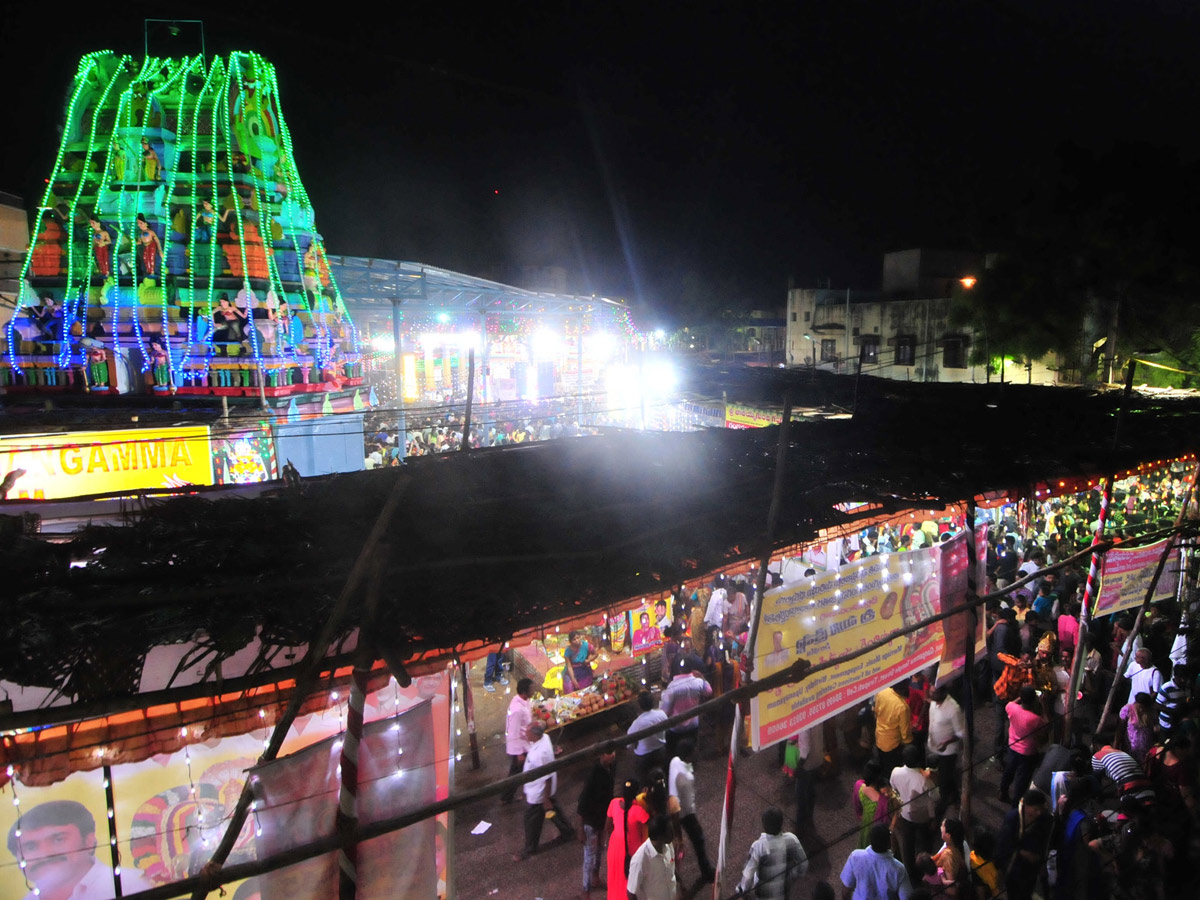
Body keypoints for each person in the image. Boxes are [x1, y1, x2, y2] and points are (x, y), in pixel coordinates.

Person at [6, 799, 154, 900]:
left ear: (89, 841)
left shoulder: (131, 885)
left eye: (58, 839)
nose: (45, 854)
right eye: (31, 847)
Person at [515, 720, 574, 860]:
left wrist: (545, 798)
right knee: (554, 812)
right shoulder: (544, 738)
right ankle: (568, 832)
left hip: (539, 793)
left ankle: (530, 848)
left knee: (532, 821)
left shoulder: (540, 754)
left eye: (528, 733)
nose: (525, 735)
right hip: (541, 791)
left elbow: (546, 777)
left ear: (535, 736)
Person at [668, 739, 715, 883]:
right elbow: (683, 805)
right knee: (698, 840)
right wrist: (679, 834)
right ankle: (706, 871)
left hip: (677, 813)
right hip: (685, 814)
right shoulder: (685, 779)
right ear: (688, 756)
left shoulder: (674, 761)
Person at [738, 806, 808, 900]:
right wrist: (792, 875)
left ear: (764, 825)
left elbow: (747, 877)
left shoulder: (758, 847)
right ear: (781, 823)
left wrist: (742, 892)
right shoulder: (791, 840)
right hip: (784, 894)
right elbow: (804, 863)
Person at [995, 790, 1051, 900]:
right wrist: (1023, 853)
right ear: (1026, 806)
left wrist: (1041, 862)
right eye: (1035, 809)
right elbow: (1004, 845)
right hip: (1014, 868)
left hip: (1031, 869)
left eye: (1040, 809)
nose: (1038, 813)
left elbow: (1044, 841)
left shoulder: (1043, 820)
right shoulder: (1012, 819)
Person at [890, 744, 935, 877]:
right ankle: (923, 870)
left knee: (907, 843)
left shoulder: (896, 772)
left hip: (905, 814)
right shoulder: (924, 779)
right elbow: (935, 796)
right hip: (923, 817)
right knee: (923, 843)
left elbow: (893, 787)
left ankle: (910, 872)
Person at [578, 748, 617, 898]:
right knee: (589, 856)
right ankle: (585, 890)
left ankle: (595, 878)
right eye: (609, 753)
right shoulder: (594, 774)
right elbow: (582, 802)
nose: (612, 756)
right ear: (601, 754)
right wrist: (580, 828)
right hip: (591, 821)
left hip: (602, 819)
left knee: (600, 850)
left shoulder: (611, 767)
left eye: (613, 753)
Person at [999, 685, 1046, 806]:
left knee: (1009, 771)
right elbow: (1047, 724)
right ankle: (1016, 804)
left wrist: (1021, 696)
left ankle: (1003, 791)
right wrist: (1044, 705)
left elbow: (1011, 703)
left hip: (1012, 746)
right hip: (1028, 752)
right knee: (1022, 779)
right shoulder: (1035, 719)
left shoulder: (1011, 708)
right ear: (1033, 700)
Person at [840, 823, 912, 900]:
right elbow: (906, 897)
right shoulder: (899, 869)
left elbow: (846, 890)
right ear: (889, 843)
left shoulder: (855, 857)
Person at [660, 659, 712, 761]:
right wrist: (702, 677)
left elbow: (665, 711)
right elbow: (709, 691)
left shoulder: (672, 686)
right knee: (690, 751)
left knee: (675, 754)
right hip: (693, 725)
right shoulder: (698, 682)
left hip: (675, 728)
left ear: (679, 670)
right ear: (691, 670)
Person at [606, 778, 649, 900]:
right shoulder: (637, 810)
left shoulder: (614, 803)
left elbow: (607, 826)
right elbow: (652, 822)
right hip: (632, 850)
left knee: (615, 880)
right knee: (631, 883)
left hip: (615, 848)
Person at [927, 681, 965, 816]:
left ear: (943, 692)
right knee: (946, 776)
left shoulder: (953, 709)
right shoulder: (934, 701)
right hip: (934, 746)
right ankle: (955, 796)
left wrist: (947, 741)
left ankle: (941, 808)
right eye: (931, 692)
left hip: (947, 752)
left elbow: (961, 733)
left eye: (933, 692)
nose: (931, 694)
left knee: (943, 781)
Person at [626, 815, 677, 900]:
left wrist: (681, 885)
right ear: (660, 836)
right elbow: (631, 893)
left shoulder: (668, 845)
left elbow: (671, 867)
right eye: (669, 831)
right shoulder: (640, 859)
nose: (673, 833)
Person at [501, 678, 534, 804]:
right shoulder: (517, 709)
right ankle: (506, 797)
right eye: (531, 689)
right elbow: (513, 732)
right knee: (515, 774)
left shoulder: (524, 702)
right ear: (525, 692)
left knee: (518, 772)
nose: (533, 691)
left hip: (525, 744)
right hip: (519, 747)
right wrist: (519, 753)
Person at [852, 760, 897, 849]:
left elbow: (857, 805)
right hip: (880, 830)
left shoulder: (859, 786)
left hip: (866, 823)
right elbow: (896, 810)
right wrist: (892, 827)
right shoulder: (884, 800)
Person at [874, 680, 913, 777]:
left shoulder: (882, 692)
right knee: (892, 772)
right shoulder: (902, 707)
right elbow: (905, 733)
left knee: (882, 764)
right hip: (893, 744)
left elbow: (876, 711)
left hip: (879, 737)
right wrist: (909, 743)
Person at [629, 691, 668, 781]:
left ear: (639, 705)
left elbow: (629, 743)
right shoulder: (661, 714)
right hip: (661, 750)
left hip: (644, 756)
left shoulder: (637, 723)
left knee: (643, 779)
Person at [1118, 692, 1156, 763]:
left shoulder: (1150, 711)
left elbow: (1152, 727)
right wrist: (1116, 744)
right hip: (1131, 747)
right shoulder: (1127, 709)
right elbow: (1120, 728)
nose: (1142, 709)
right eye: (1141, 707)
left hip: (1146, 748)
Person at [135, 213, 162, 278]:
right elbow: (139, 242)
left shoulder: (150, 232)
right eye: (138, 223)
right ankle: (148, 271)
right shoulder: (140, 233)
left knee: (151, 258)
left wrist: (160, 250)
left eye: (141, 223)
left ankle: (152, 271)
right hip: (145, 246)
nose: (139, 225)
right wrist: (135, 242)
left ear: (145, 223)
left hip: (151, 245)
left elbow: (157, 241)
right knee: (145, 257)